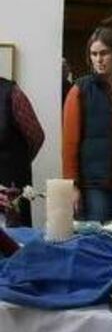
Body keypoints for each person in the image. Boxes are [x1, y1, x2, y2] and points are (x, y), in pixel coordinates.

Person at [63, 27, 112, 222]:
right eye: (94, 54)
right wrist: (73, 186)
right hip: (96, 184)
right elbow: (69, 143)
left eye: (104, 53)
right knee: (99, 240)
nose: (99, 59)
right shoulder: (81, 89)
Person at [0, 77, 44, 227]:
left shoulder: (11, 92)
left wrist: (19, 164)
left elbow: (36, 136)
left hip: (10, 184)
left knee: (15, 240)